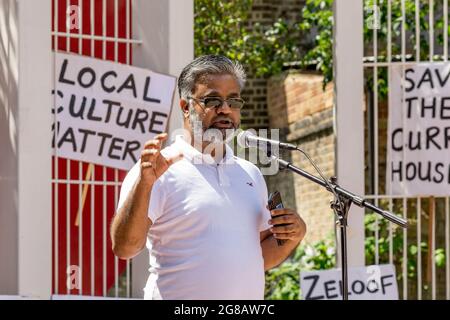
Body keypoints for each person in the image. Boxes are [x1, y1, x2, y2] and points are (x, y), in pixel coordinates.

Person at [110, 55, 306, 300]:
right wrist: (144, 184)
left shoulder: (250, 174)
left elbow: (258, 258)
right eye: (213, 100)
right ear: (185, 107)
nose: (225, 109)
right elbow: (125, 247)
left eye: (233, 101)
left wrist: (292, 237)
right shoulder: (157, 169)